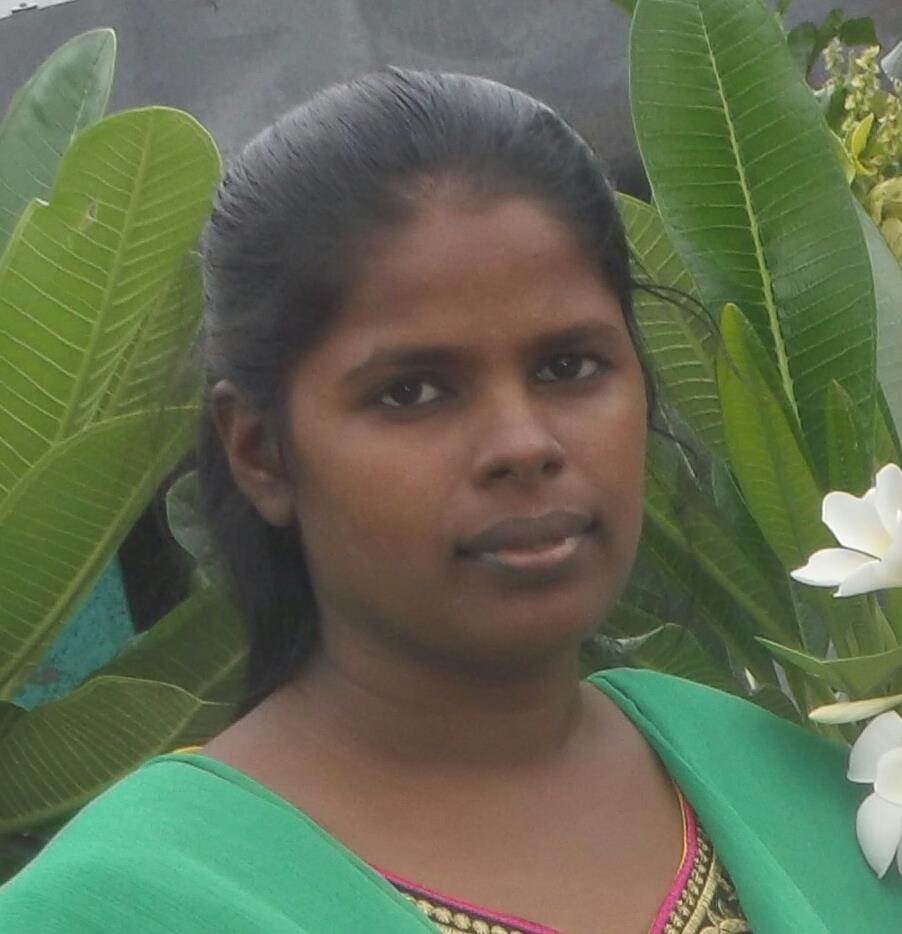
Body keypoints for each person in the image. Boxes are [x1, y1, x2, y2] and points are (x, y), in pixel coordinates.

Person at [0, 67, 898, 934]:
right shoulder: (121, 904)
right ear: (262, 453)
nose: (523, 444)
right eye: (413, 391)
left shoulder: (810, 795)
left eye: (568, 366)